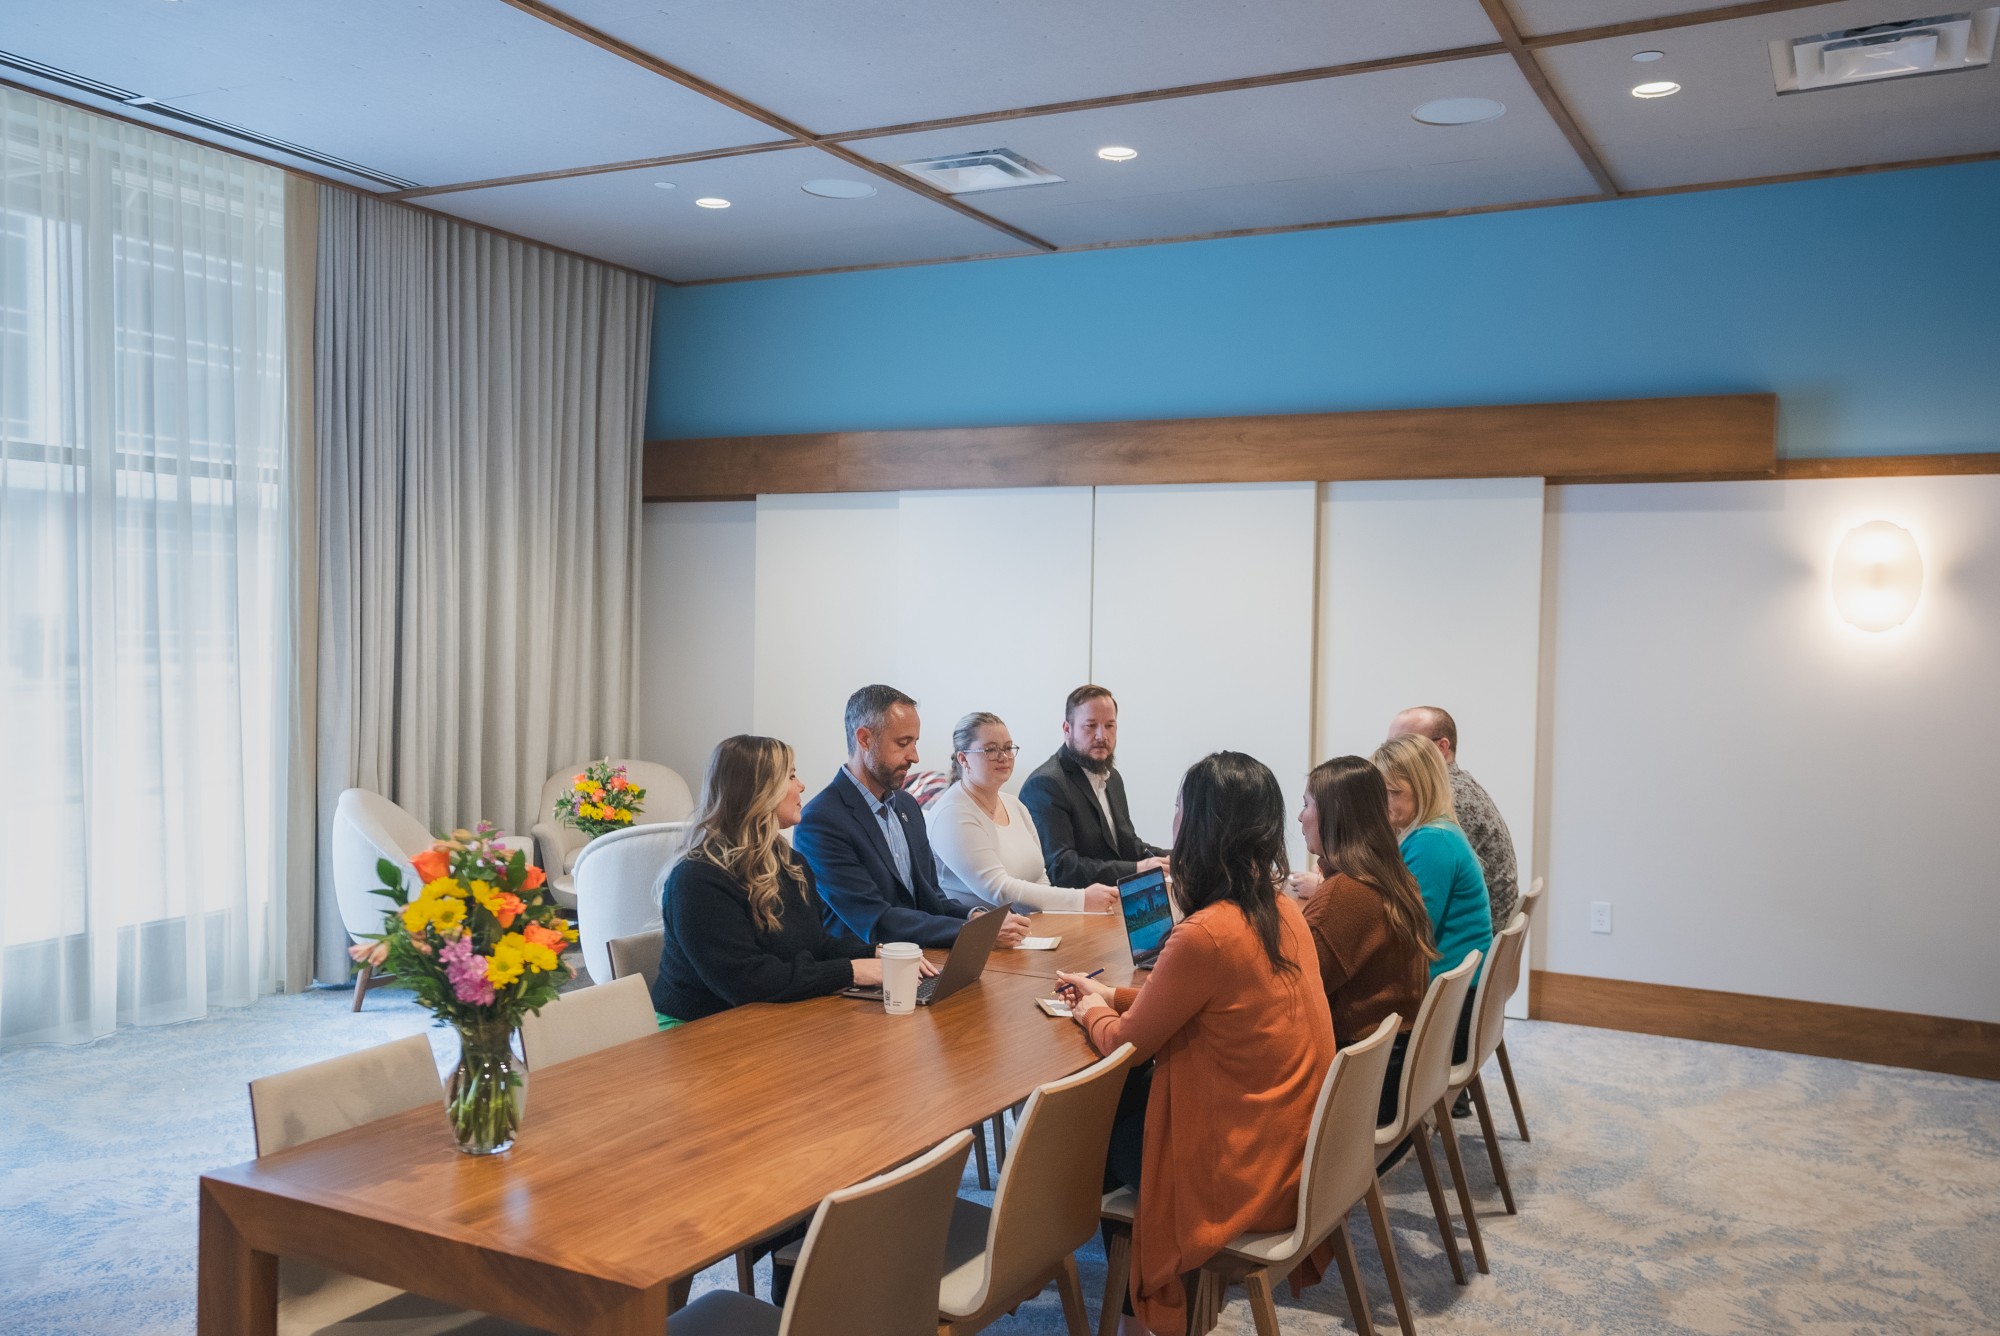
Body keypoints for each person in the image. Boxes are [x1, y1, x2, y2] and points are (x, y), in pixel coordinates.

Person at [1055, 752, 1334, 1336]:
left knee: (1093, 1129)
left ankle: (1145, 1314)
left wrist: (1089, 1011)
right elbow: (1204, 1005)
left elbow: (1127, 1046)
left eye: (1179, 807)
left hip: (1240, 1168)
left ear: (1198, 826)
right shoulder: (1282, 910)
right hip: (1295, 1150)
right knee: (1130, 1105)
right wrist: (1111, 997)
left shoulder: (1206, 934)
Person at [653, 735, 935, 1023]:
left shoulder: (791, 863)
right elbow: (746, 981)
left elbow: (813, 945)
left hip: (763, 1019)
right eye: (791, 776)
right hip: (695, 1031)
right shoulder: (697, 879)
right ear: (758, 790)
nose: (801, 786)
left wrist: (875, 952)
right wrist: (853, 971)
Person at [794, 684, 1030, 950]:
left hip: (920, 958)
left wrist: (974, 916)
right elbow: (875, 920)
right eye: (903, 743)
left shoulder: (906, 805)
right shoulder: (820, 821)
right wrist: (973, 931)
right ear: (864, 739)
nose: (915, 757)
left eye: (915, 743)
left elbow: (931, 899)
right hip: (864, 970)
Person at [1293, 755, 1438, 1125]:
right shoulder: (1391, 876)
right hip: (1391, 1071)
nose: (1300, 817)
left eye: (1307, 804)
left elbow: (1287, 999)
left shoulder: (1346, 894)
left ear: (1334, 814)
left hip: (1358, 1091)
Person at [1373, 733, 1493, 1084]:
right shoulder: (1429, 832)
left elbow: (1409, 931)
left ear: (1423, 789)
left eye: (1394, 793)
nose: (1383, 803)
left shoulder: (1431, 842)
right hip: (1455, 995)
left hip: (1448, 1010)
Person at [925, 711, 1119, 914]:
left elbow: (1040, 877)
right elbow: (998, 889)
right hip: (982, 935)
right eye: (990, 749)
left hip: (1028, 927)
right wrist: (1081, 900)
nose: (1004, 757)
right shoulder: (952, 813)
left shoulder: (1014, 805)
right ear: (963, 759)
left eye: (1008, 748)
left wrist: (1054, 919)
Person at [1019, 684, 1170, 888]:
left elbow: (1128, 845)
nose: (1102, 736)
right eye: (1091, 726)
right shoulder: (1046, 784)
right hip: (1072, 909)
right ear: (1067, 729)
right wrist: (1136, 869)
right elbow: (1061, 868)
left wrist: (1172, 859)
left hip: (1112, 899)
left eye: (1109, 726)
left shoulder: (1112, 777)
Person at [1390, 706, 1520, 929]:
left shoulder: (1447, 799)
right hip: (1473, 930)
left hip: (1468, 938)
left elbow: (1412, 915)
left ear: (1441, 747)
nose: (1395, 755)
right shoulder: (1455, 785)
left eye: (1407, 744)